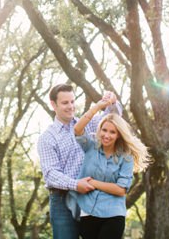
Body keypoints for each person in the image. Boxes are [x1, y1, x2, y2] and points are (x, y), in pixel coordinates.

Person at [37, 83, 120, 239]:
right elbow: (51, 174)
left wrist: (112, 102)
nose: (70, 106)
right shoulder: (47, 138)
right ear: (53, 104)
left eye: (72, 101)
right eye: (65, 103)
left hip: (92, 197)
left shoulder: (90, 123)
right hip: (62, 201)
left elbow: (112, 119)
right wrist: (76, 184)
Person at [71, 102, 150, 239]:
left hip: (113, 214)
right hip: (88, 211)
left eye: (112, 132)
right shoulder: (90, 146)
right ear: (99, 130)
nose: (107, 135)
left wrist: (94, 183)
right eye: (104, 130)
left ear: (119, 135)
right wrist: (96, 107)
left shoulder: (126, 158)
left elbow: (121, 189)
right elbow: (77, 129)